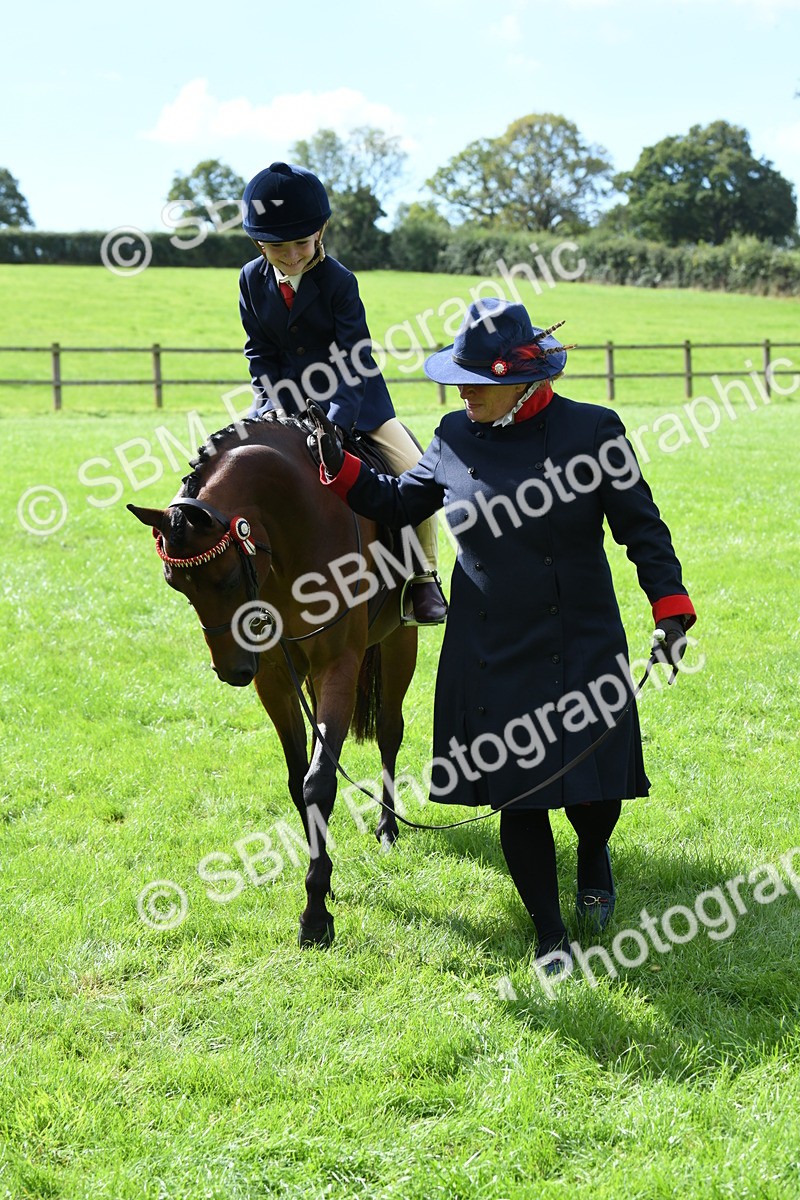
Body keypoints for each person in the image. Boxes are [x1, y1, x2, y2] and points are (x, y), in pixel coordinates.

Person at [309, 297, 697, 971]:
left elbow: (642, 527)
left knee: (594, 788)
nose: (463, 391)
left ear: (524, 381)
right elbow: (399, 504)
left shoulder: (594, 432)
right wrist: (338, 465)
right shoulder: (454, 437)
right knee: (519, 796)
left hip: (580, 634)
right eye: (459, 378)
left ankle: (595, 852)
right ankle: (550, 937)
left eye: (477, 382)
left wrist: (670, 609)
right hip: (488, 648)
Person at [237, 160, 447, 625]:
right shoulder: (250, 280)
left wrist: (334, 421)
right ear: (257, 242)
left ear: (321, 231)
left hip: (356, 401)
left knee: (412, 468)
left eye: (300, 243)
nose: (290, 256)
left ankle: (423, 578)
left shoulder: (339, 282)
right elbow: (261, 354)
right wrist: (273, 409)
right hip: (283, 403)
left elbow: (354, 358)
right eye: (276, 246)